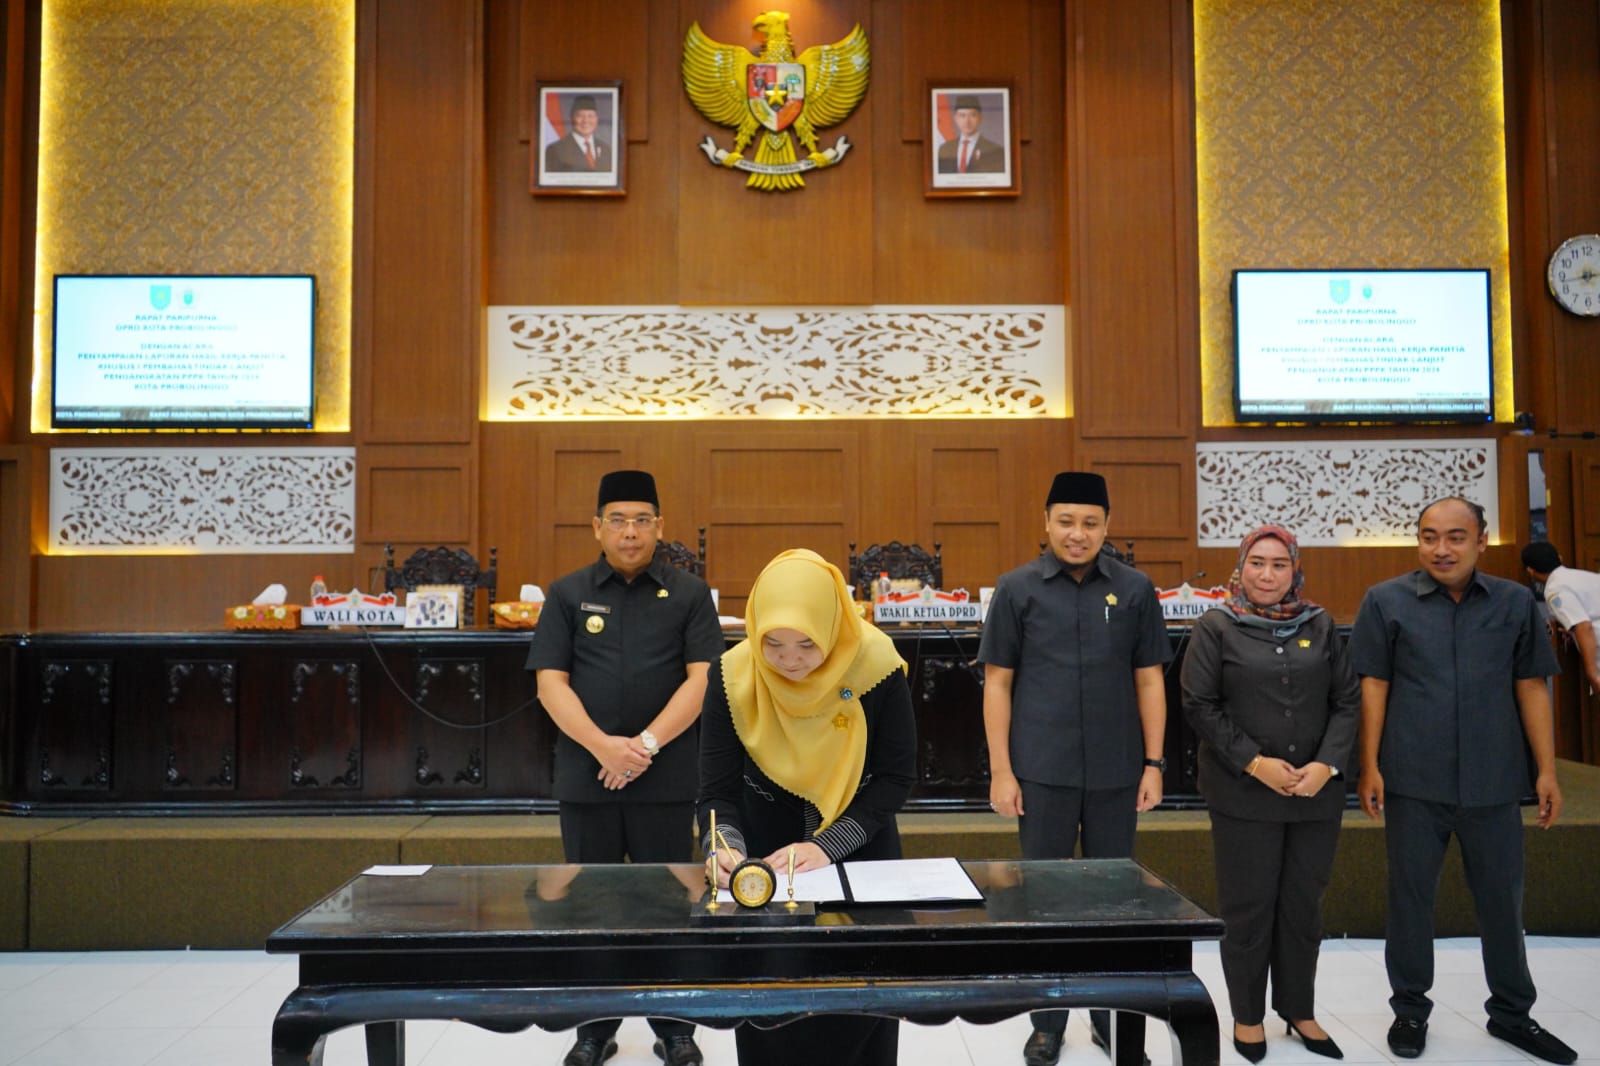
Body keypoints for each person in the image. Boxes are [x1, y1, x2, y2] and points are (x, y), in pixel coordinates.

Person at [1350, 497, 1576, 1065]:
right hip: (1413, 778)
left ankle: (1512, 1014)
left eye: (1455, 537)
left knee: (1502, 902)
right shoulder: (1385, 601)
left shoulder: (1514, 602)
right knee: (1410, 902)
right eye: (1429, 536)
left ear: (1480, 541)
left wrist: (1546, 770)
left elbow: (1532, 685)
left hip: (1494, 780)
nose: (1441, 549)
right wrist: (1369, 764)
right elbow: (1373, 685)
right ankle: (1409, 1010)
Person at [527, 469, 722, 1066]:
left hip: (665, 775)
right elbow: (550, 684)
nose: (630, 532)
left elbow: (703, 680)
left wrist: (643, 747)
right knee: (589, 906)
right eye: (617, 520)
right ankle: (594, 1030)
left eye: (641, 520)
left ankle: (677, 1029)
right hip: (589, 776)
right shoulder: (567, 593)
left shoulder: (690, 594)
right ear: (597, 527)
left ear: (659, 526)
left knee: (673, 903)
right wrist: (604, 749)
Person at [977, 470, 1170, 1066]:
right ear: (1047, 523)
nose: (1077, 533)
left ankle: (1112, 1019)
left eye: (1090, 523)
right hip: (1041, 772)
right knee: (1043, 902)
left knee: (1115, 903)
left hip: (1117, 772)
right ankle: (1048, 1024)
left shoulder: (1135, 589)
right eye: (1066, 521)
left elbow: (1149, 680)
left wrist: (1154, 764)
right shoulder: (1017, 589)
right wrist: (1002, 771)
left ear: (1107, 527)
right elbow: (997, 683)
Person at [699, 548, 917, 1066]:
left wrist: (827, 846)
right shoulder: (733, 675)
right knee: (771, 1017)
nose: (789, 660)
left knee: (860, 1012)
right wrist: (724, 850)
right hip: (766, 874)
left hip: (861, 858)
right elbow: (717, 793)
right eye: (772, 643)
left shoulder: (876, 666)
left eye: (807, 644)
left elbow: (895, 778)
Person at [1180, 525, 1358, 1063]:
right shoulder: (1216, 626)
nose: (1267, 574)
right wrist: (1255, 763)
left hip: (1314, 794)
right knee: (1248, 908)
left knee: (1304, 908)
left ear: (1295, 570)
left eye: (1280, 564)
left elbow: (1347, 701)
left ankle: (1299, 1010)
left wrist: (1326, 765)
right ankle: (1248, 1015)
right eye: (1257, 562)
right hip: (1243, 794)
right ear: (1241, 567)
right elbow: (1199, 704)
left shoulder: (1320, 624)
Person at [1521, 541, 1600, 696]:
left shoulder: (1555, 589)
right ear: (1560, 558)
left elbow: (1583, 626)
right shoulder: (1587, 577)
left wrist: (1592, 674)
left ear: (1530, 571)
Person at [936, 93, 1005, 174]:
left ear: (980, 118)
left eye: (972, 115)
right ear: (956, 118)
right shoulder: (944, 150)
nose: (967, 121)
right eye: (962, 115)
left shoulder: (996, 152)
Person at [545, 94, 611, 173]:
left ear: (597, 119)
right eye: (580, 116)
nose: (585, 121)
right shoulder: (555, 150)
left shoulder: (606, 149)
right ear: (572, 118)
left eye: (590, 116)